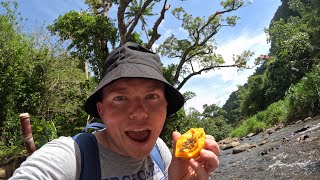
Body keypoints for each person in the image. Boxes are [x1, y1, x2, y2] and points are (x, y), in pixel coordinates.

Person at [10, 42, 220, 179]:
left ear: (165, 105)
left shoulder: (159, 150)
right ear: (101, 111)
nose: (139, 112)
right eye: (120, 98)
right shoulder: (72, 158)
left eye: (152, 96)